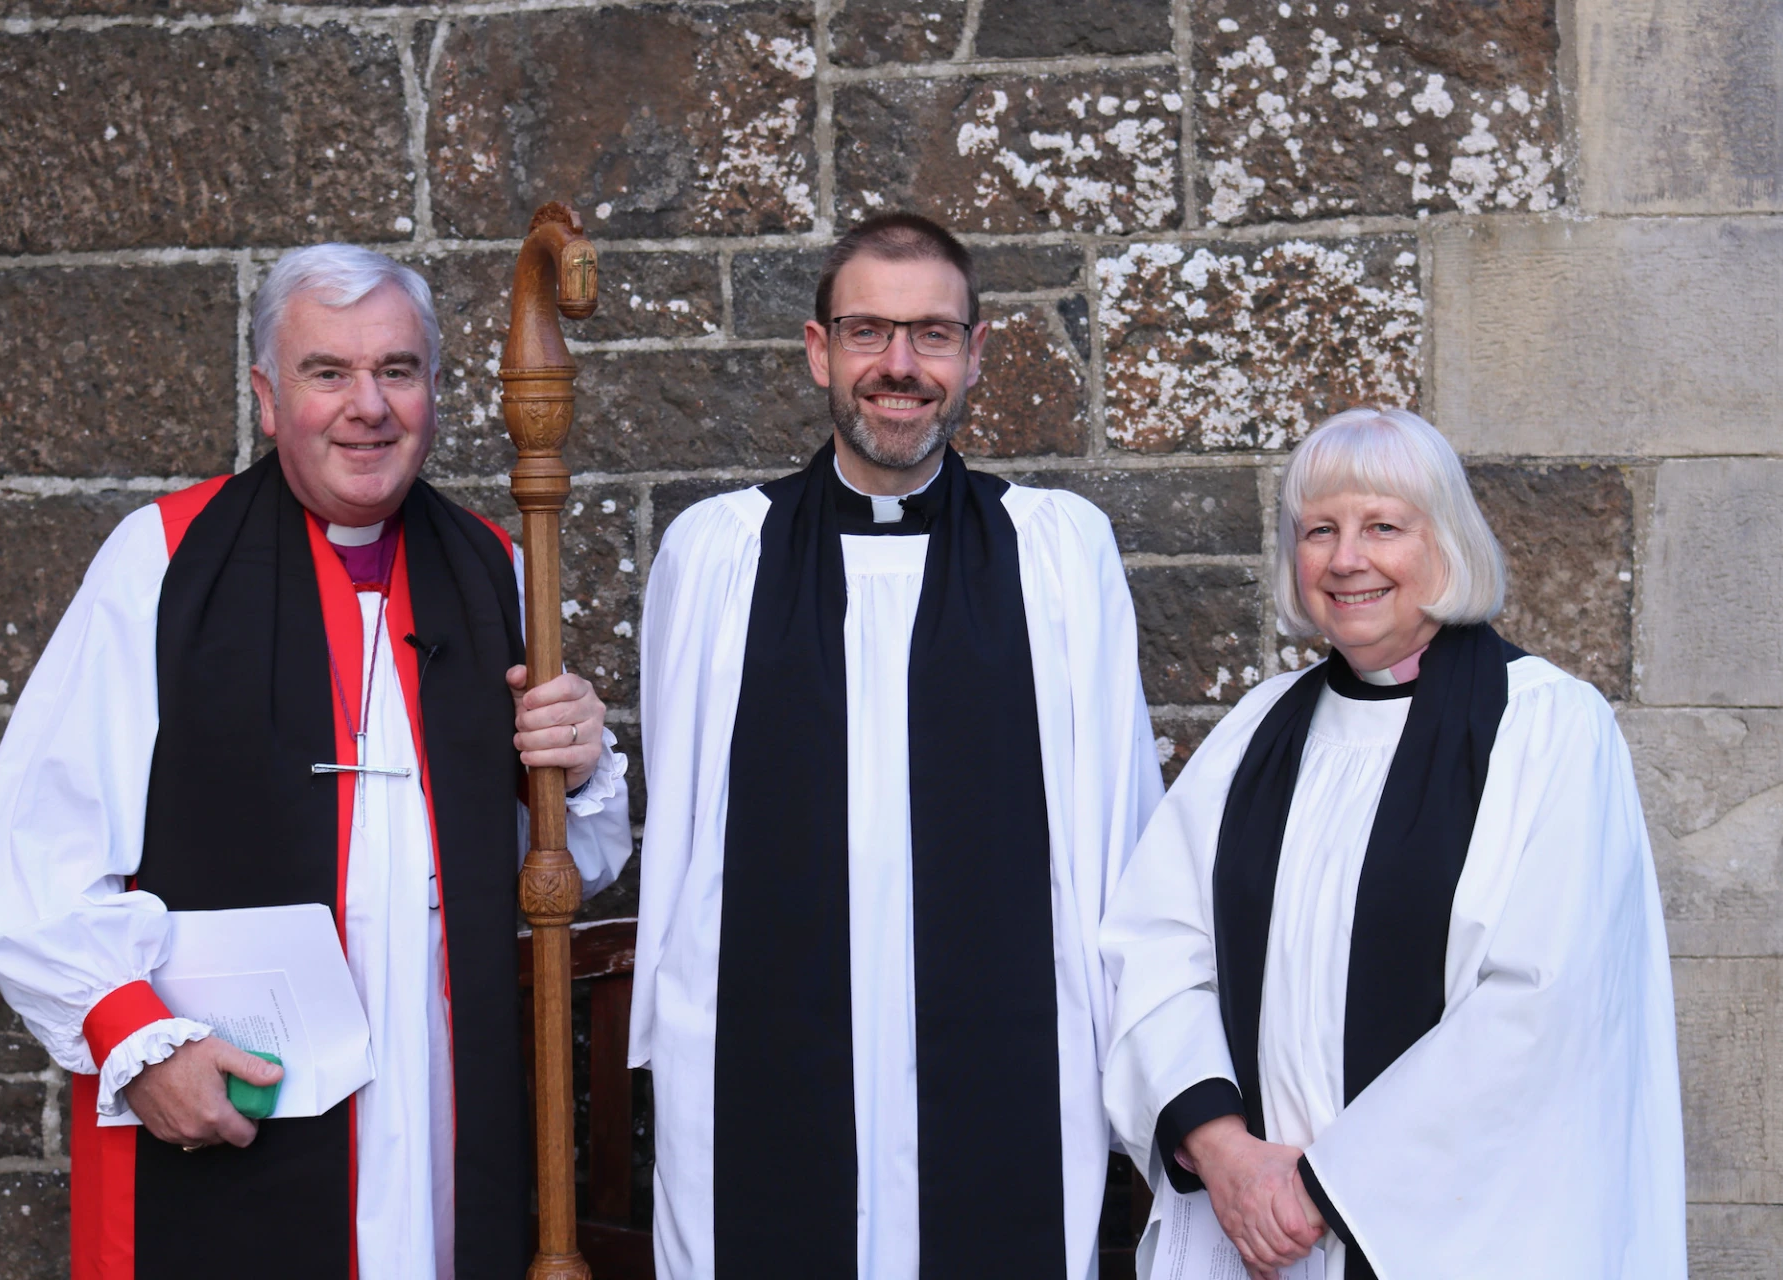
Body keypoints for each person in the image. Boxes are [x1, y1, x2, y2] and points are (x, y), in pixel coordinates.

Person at [0, 244, 631, 1279]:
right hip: (235, 1100)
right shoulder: (165, 561)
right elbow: (24, 862)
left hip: (442, 1101)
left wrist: (576, 769)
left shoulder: (493, 566)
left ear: (434, 393)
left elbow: (572, 865)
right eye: (329, 373)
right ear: (269, 399)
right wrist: (142, 1040)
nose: (369, 405)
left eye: (398, 370)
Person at [630, 211, 1163, 1279]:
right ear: (822, 350)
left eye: (931, 334)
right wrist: (668, 1039)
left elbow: (1120, 824)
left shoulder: (1056, 554)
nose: (900, 365)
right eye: (869, 331)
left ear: (973, 356)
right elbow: (679, 831)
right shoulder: (721, 554)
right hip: (762, 1065)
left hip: (1007, 1061)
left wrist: (1134, 1060)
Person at [1099, 407, 1686, 1280]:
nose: (1346, 559)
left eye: (1383, 526)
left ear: (1445, 543)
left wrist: (1323, 1188)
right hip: (1256, 1235)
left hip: (1458, 1238)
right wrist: (1225, 1153)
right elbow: (1156, 948)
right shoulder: (1259, 732)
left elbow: (1545, 1001)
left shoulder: (1546, 728)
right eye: (1320, 530)